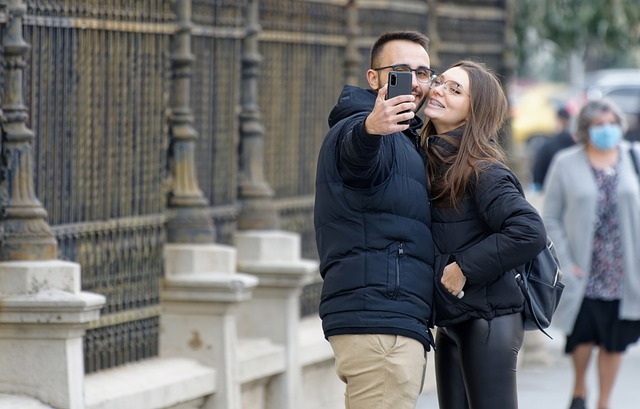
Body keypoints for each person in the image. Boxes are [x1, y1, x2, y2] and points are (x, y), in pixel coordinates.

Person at [314, 31, 436, 409]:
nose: (414, 82)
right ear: (373, 78)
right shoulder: (361, 127)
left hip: (388, 318)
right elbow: (357, 160)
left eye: (424, 72)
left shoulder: (406, 137)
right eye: (401, 71)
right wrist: (370, 130)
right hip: (381, 321)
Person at [421, 60, 547, 409]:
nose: (438, 90)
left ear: (474, 113)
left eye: (455, 90)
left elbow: (529, 231)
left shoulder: (483, 169)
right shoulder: (432, 160)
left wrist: (464, 267)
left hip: (488, 320)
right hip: (452, 320)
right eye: (440, 82)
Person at [542, 99, 640, 409]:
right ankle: (580, 388)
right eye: (598, 125)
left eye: (611, 123)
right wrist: (565, 262)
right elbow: (551, 217)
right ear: (585, 129)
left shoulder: (633, 157)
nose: (606, 130)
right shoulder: (566, 162)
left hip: (624, 268)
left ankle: (605, 402)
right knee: (582, 334)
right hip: (583, 265)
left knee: (615, 337)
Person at [531, 107, 576, 191]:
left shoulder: (547, 145)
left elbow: (537, 176)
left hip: (551, 189)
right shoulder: (576, 145)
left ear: (557, 120)